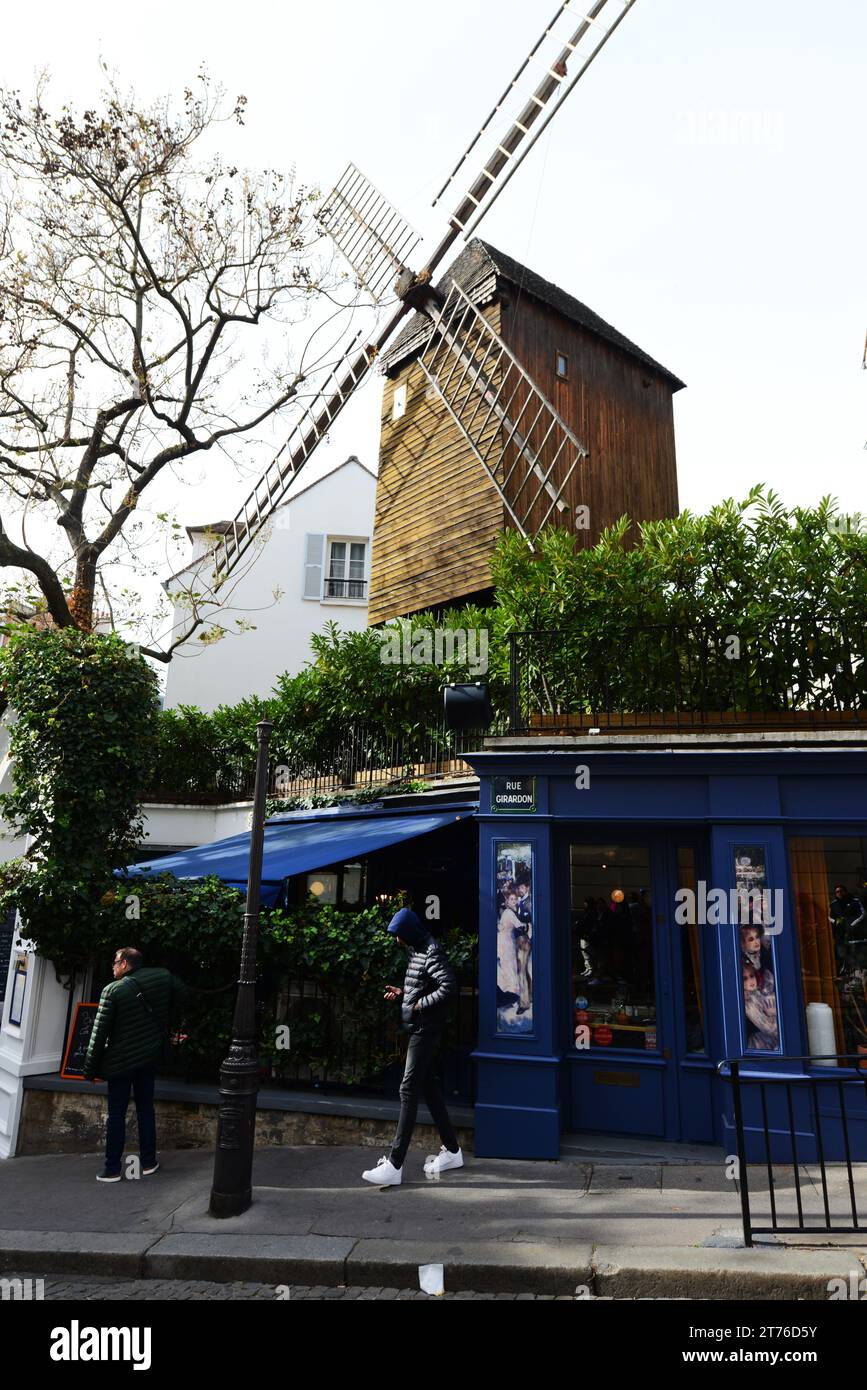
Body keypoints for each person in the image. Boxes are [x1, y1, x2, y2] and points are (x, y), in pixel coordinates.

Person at [362, 908, 462, 1187]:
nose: (396, 941)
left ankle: (394, 1165)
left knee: (407, 1089)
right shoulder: (419, 949)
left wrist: (419, 1005)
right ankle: (453, 1151)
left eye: (398, 935)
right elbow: (425, 983)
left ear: (407, 932)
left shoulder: (431, 950)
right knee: (427, 1088)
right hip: (421, 1026)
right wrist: (405, 994)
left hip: (426, 1028)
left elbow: (448, 986)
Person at [83, 947, 186, 1183]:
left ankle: (111, 1169)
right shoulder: (162, 977)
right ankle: (148, 1162)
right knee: (145, 1109)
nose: (112, 966)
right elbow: (183, 995)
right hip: (148, 1058)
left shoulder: (113, 990)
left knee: (116, 1114)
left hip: (120, 1063)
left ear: (126, 964)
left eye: (115, 961)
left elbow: (99, 1034)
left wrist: (90, 1070)